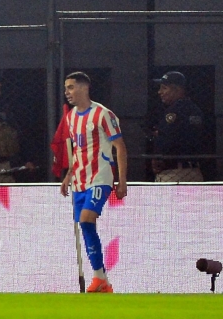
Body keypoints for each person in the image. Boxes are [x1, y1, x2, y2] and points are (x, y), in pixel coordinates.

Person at [60, 71, 127, 293]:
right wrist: (68, 176)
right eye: (66, 88)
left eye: (70, 87)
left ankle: (100, 279)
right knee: (85, 225)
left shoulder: (102, 114)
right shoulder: (70, 117)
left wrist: (122, 180)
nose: (67, 92)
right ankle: (101, 279)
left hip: (100, 177)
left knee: (87, 218)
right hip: (79, 179)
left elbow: (120, 147)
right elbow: (76, 151)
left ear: (84, 87)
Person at [150, 71, 205, 182]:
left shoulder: (174, 111)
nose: (160, 92)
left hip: (174, 173)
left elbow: (166, 142)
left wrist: (157, 157)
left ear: (177, 89)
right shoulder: (195, 110)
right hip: (194, 171)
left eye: (164, 88)